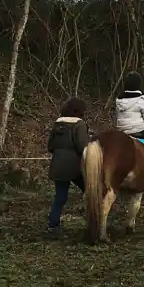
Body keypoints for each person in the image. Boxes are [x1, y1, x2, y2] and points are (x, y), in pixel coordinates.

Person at [46, 96, 90, 237]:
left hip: (58, 164)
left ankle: (53, 225)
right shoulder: (79, 124)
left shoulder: (57, 124)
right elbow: (82, 147)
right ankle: (95, 220)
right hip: (75, 167)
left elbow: (50, 146)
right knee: (90, 191)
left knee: (60, 197)